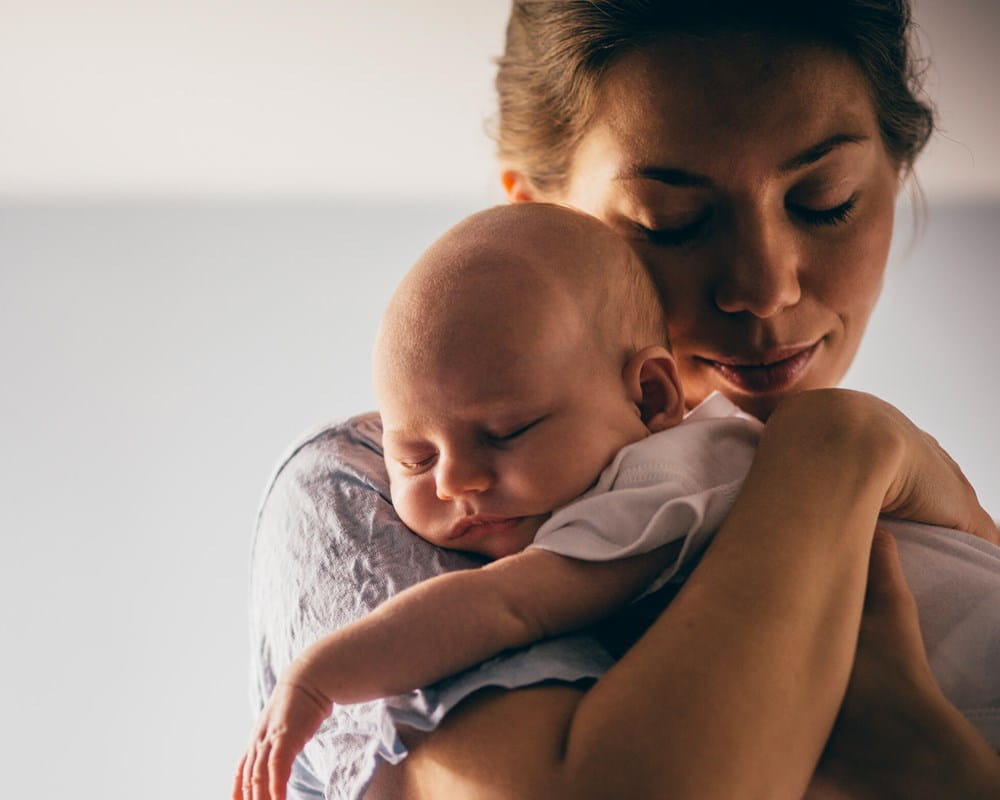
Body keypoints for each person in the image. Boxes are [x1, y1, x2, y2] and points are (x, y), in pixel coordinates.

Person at [241, 3, 1000, 798]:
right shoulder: (372, 487)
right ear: (532, 218)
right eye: (670, 222)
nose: (764, 287)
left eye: (826, 200)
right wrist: (837, 446)